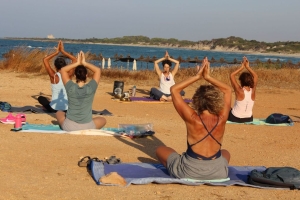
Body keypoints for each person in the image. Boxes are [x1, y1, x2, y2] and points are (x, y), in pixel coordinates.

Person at [156, 57, 231, 180]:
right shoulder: (222, 118)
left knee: (160, 149)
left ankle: (179, 164)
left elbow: (174, 90)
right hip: (218, 172)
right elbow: (227, 90)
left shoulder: (193, 118)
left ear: (196, 100)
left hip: (189, 171)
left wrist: (197, 76)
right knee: (226, 153)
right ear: (216, 101)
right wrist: (208, 77)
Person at [55, 51, 106, 131]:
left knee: (59, 113)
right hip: (87, 126)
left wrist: (77, 63)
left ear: (75, 75)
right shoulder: (91, 88)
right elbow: (97, 71)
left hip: (70, 126)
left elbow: (63, 70)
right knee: (103, 120)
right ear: (86, 75)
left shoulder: (70, 87)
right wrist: (84, 63)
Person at [38, 41, 76, 112]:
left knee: (40, 98)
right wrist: (63, 51)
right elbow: (74, 60)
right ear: (65, 65)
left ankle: (47, 106)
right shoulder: (69, 75)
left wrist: (57, 52)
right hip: (66, 109)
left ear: (55, 66)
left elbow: (45, 60)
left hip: (54, 109)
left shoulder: (53, 76)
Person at [228, 56, 258, 123]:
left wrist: (241, 67)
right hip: (249, 118)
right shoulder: (253, 90)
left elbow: (232, 75)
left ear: (241, 81)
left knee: (227, 107)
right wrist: (247, 67)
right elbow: (255, 76)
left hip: (236, 118)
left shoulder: (239, 90)